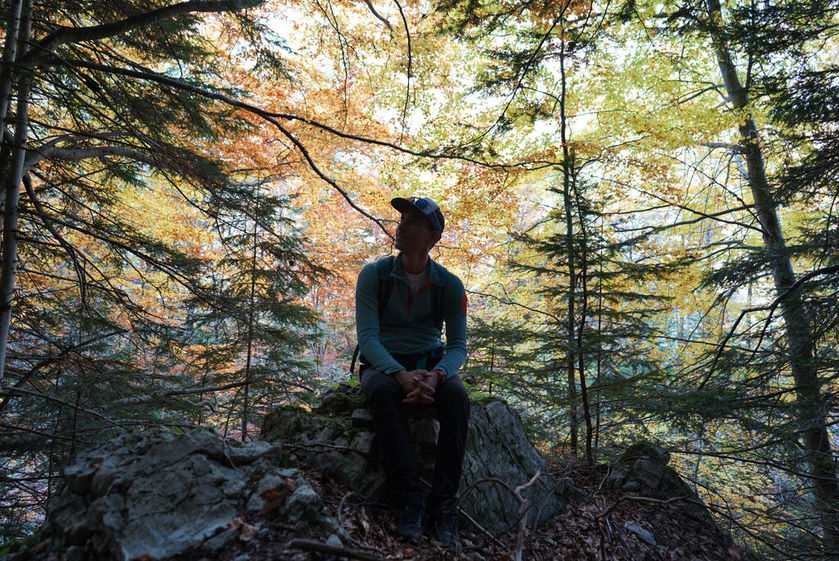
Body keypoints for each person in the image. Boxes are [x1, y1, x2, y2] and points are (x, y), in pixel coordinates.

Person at [355, 196, 469, 545]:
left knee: (457, 399)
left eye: (414, 222)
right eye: (402, 219)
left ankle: (443, 506)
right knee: (384, 393)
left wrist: (436, 376)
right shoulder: (374, 275)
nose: (401, 226)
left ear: (433, 237)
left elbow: (458, 348)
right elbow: (368, 338)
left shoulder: (449, 285)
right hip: (383, 366)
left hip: (429, 366)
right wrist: (398, 375)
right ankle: (409, 501)